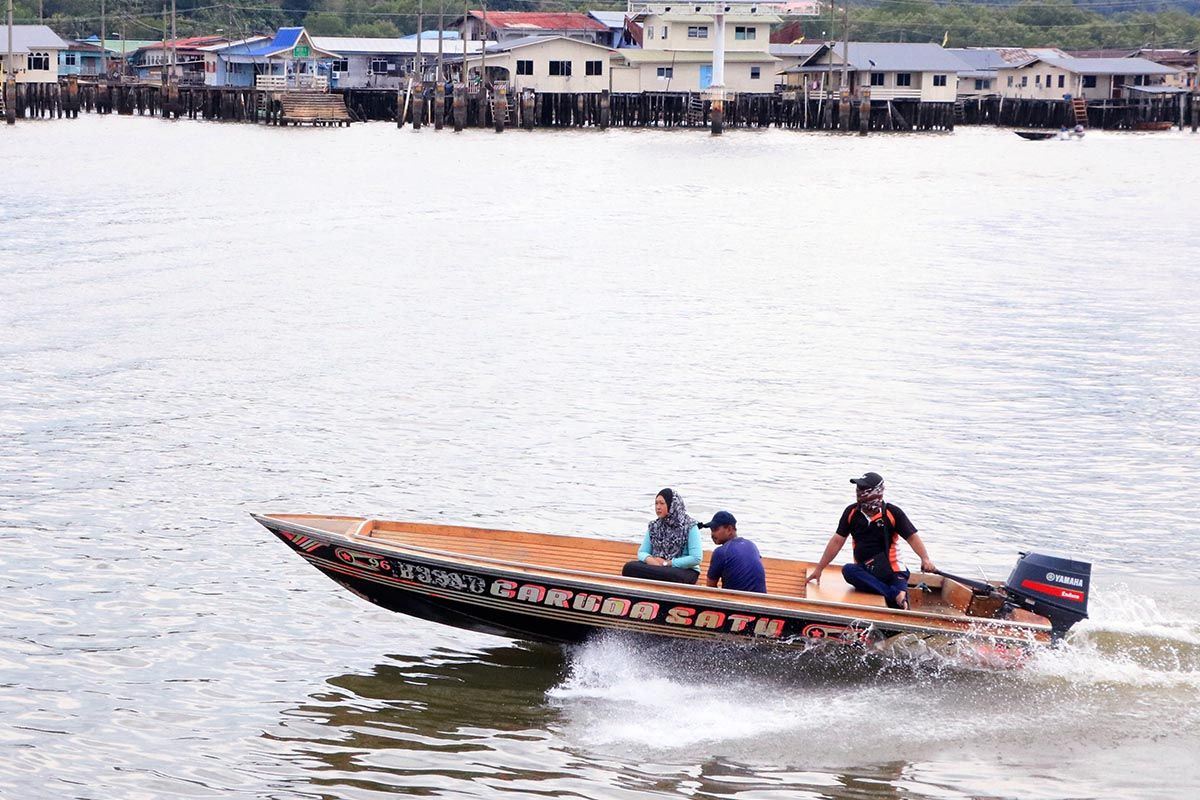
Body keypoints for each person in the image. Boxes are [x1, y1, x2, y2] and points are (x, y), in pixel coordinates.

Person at [805, 472, 937, 610]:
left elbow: (912, 537)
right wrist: (819, 569)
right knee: (849, 570)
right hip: (866, 571)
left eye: (864, 489)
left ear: (877, 491)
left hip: (894, 571)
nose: (859, 492)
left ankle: (899, 601)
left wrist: (925, 559)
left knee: (901, 605)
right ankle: (894, 594)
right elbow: (837, 542)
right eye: (858, 488)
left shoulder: (893, 513)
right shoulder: (851, 512)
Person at [621, 488, 702, 585]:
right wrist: (652, 561)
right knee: (629, 568)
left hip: (683, 570)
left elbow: (696, 558)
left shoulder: (690, 526)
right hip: (656, 567)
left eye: (662, 503)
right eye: (656, 503)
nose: (658, 507)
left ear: (672, 505)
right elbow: (642, 552)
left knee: (673, 576)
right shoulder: (654, 526)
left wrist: (667, 563)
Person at [702, 511, 767, 593]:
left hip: (736, 603)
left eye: (715, 529)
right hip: (762, 601)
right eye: (711, 530)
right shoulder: (751, 545)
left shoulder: (721, 552)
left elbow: (710, 587)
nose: (712, 534)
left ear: (729, 529)